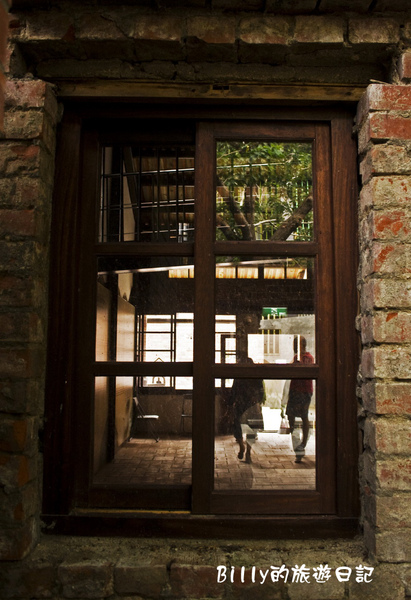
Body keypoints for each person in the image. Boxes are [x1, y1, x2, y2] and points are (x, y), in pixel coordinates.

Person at [229, 355, 265, 463]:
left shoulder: (239, 376)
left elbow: (233, 391)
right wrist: (258, 401)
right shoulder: (256, 376)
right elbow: (261, 391)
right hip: (251, 405)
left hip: (242, 404)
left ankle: (242, 447)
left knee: (238, 426)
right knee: (251, 429)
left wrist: (230, 404)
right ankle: (247, 451)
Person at [286, 335, 314, 463]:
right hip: (295, 390)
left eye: (295, 344)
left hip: (304, 391)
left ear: (301, 345)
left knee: (303, 416)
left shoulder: (308, 358)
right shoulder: (296, 358)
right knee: (291, 416)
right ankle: (298, 446)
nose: (293, 347)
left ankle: (302, 445)